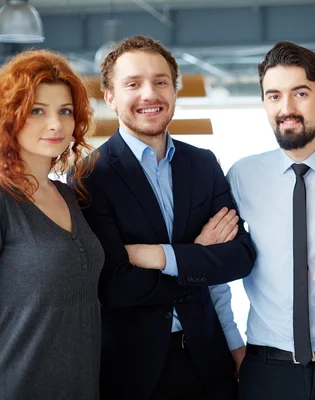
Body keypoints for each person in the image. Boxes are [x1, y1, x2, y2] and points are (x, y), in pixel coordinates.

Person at [76, 36, 256, 400]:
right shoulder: (91, 175)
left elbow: (240, 257)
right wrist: (197, 255)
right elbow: (114, 286)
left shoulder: (203, 163)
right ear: (110, 96)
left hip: (210, 362)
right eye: (133, 84)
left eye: (160, 82)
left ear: (174, 90)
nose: (149, 94)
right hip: (133, 373)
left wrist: (162, 256)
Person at [226, 41, 315, 400]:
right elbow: (218, 268)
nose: (285, 108)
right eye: (273, 96)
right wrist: (231, 344)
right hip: (265, 366)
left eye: (300, 93)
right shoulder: (242, 176)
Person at [0, 49, 104, 399]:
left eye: (65, 111)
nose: (56, 124)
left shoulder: (69, 195)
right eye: (37, 111)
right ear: (10, 116)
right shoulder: (3, 200)